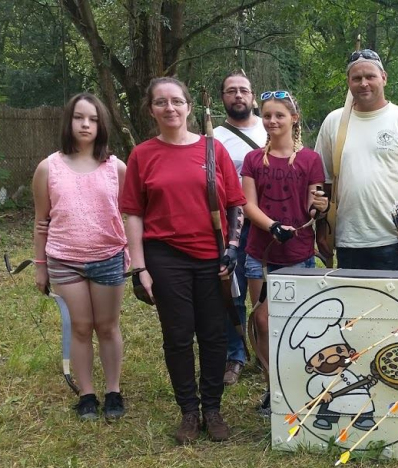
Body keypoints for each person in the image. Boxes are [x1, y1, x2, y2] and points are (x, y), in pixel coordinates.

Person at [121, 77, 246, 444]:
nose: (170, 108)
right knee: (177, 337)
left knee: (212, 335)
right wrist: (138, 267)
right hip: (165, 257)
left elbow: (236, 202)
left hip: (213, 256)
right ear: (151, 110)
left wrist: (234, 247)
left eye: (176, 101)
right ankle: (188, 412)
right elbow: (133, 214)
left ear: (189, 107)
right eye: (161, 102)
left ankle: (212, 408)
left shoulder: (213, 150)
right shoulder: (142, 155)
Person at [31, 92, 127, 421]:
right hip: (64, 260)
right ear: (68, 121)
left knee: (108, 326)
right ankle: (87, 394)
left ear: (101, 125)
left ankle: (113, 390)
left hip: (108, 257)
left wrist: (133, 253)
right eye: (79, 117)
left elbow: (129, 214)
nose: (85, 124)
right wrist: (41, 266)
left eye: (93, 119)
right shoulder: (48, 167)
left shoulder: (116, 167)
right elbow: (41, 221)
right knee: (81, 328)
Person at [240, 89, 327, 415]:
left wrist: (320, 205)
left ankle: (299, 385)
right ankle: (271, 387)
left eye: (279, 115)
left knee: (298, 324)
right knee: (263, 321)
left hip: (299, 255)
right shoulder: (253, 160)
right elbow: (247, 204)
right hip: (260, 256)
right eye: (267, 115)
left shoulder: (310, 160)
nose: (272, 121)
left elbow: (313, 203)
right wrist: (272, 225)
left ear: (294, 118)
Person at [314, 49, 398, 270]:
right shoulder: (334, 122)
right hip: (348, 240)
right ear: (348, 82)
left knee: (394, 305)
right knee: (350, 303)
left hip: (395, 242)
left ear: (384, 77)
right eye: (357, 78)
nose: (364, 83)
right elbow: (323, 181)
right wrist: (323, 230)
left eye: (370, 76)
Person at [213, 70, 268, 386]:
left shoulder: (271, 126)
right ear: (223, 98)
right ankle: (235, 355)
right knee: (230, 293)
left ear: (252, 95)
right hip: (228, 225)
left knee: (266, 294)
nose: (237, 95)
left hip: (265, 224)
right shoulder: (215, 137)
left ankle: (267, 353)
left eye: (243, 90)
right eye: (231, 90)